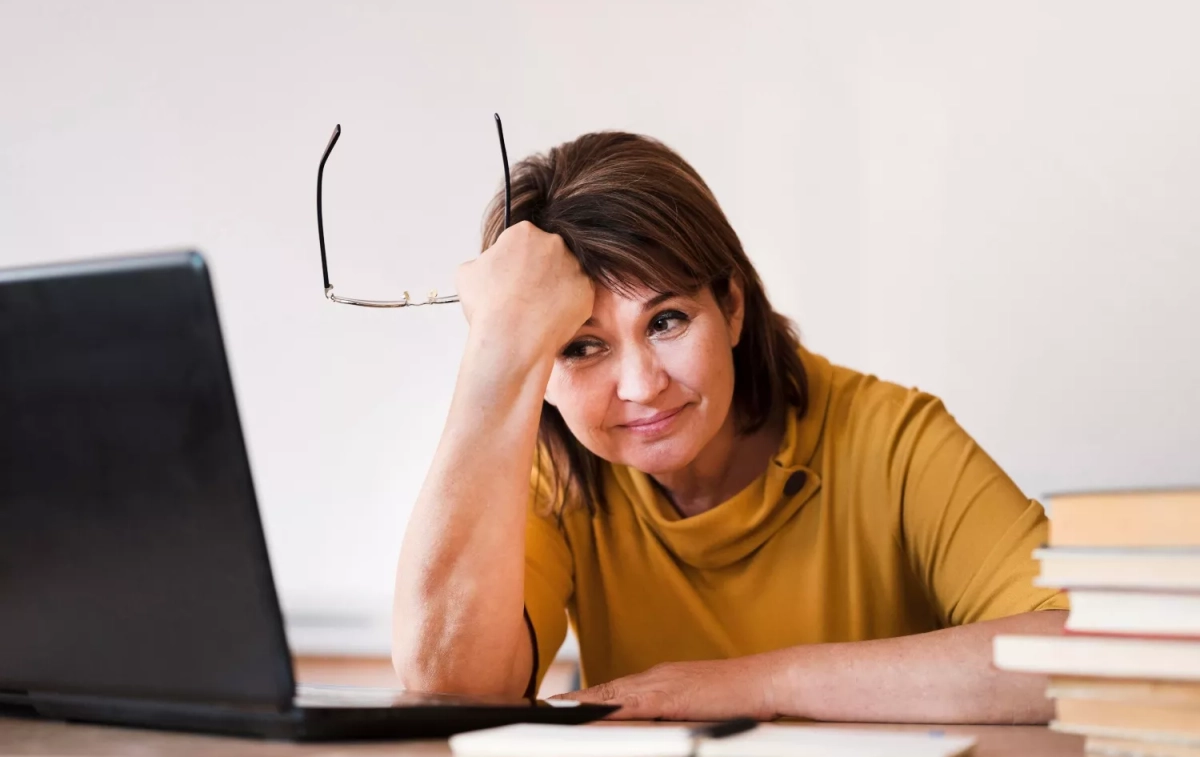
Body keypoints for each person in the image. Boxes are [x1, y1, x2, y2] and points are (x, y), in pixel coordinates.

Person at [391, 131, 1067, 723]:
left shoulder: (893, 439)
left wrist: (754, 682)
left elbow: (1079, 651)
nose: (641, 385)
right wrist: (497, 349)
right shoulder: (556, 473)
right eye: (579, 346)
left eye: (667, 321)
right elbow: (448, 686)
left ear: (733, 306)